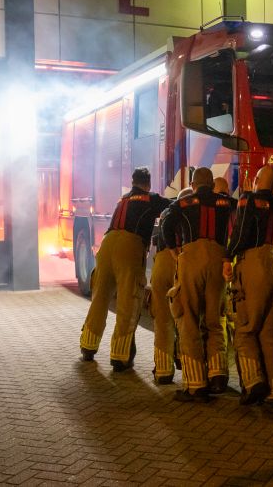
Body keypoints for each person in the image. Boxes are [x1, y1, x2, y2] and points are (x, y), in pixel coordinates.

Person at [79, 167, 170, 371]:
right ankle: (121, 356)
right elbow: (174, 207)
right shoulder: (151, 198)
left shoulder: (122, 200)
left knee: (100, 298)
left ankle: (88, 346)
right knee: (128, 302)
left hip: (107, 245)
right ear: (148, 183)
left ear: (132, 182)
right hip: (129, 247)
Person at [162, 168, 235, 402]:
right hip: (218, 259)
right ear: (212, 184)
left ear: (193, 185)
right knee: (215, 319)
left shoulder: (183, 203)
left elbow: (165, 223)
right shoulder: (225, 202)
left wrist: (174, 250)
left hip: (191, 259)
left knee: (190, 319)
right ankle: (218, 376)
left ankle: (196, 384)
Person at [224, 165, 273, 406]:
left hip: (253, 264)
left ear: (257, 180)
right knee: (271, 333)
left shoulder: (247, 201)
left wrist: (227, 256)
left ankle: (253, 383)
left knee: (246, 329)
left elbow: (240, 234)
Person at [148, 187, 194, 385]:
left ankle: (163, 370)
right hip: (179, 262)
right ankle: (190, 371)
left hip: (160, 264)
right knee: (185, 319)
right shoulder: (192, 212)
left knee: (162, 320)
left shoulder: (167, 211)